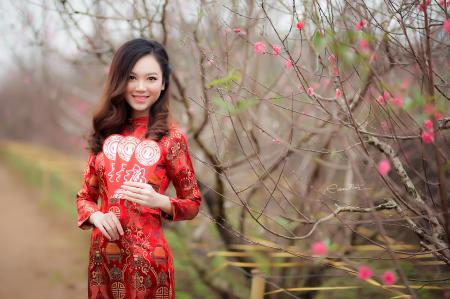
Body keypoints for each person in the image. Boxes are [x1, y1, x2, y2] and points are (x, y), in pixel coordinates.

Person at [76, 38, 202, 299]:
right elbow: (85, 198)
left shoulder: (171, 138)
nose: (141, 87)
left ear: (164, 83)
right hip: (104, 264)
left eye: (151, 78)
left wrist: (160, 201)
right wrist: (96, 217)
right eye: (132, 77)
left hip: (149, 265)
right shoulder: (105, 132)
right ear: (119, 81)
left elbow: (192, 203)